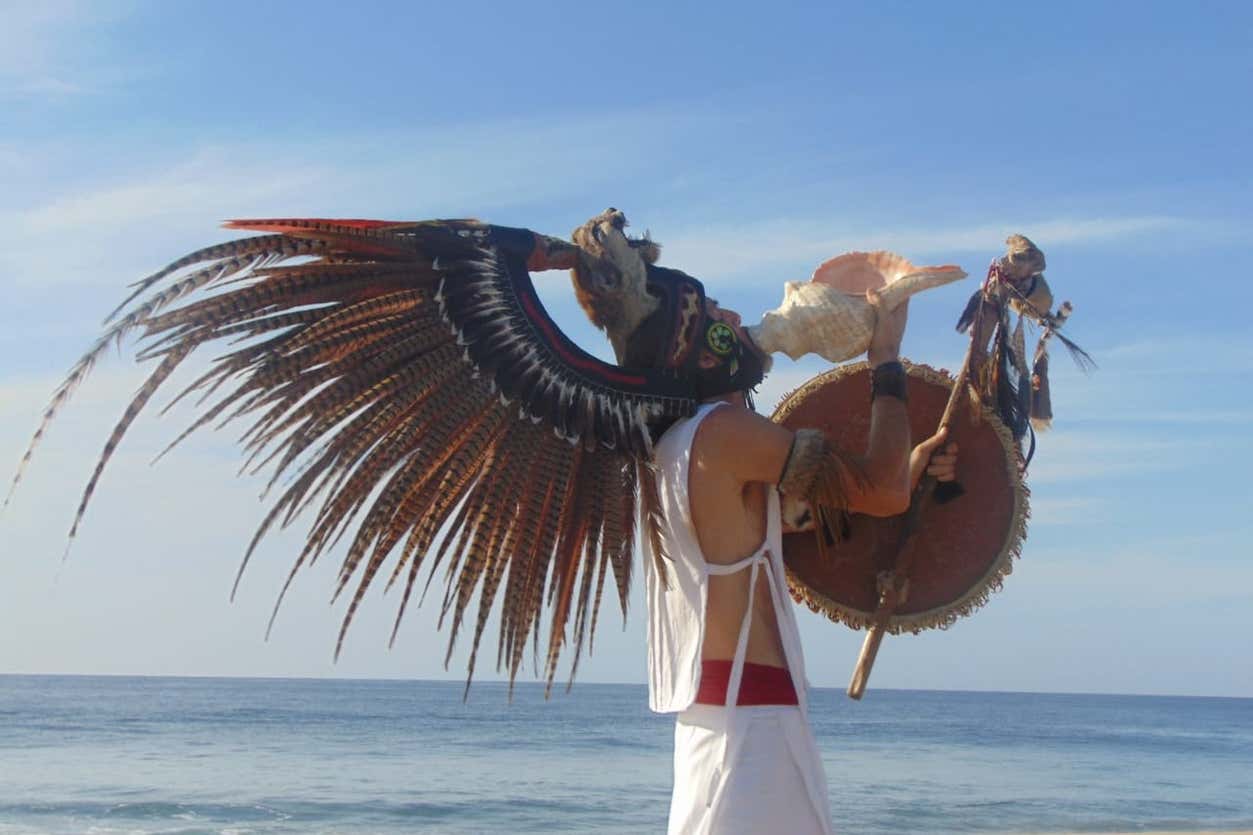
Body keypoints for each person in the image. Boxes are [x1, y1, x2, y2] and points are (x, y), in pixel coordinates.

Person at [626, 293, 958, 834]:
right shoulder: (723, 432)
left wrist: (912, 465)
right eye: (716, 315)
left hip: (716, 723)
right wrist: (887, 360)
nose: (734, 319)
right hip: (754, 726)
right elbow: (883, 490)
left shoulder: (669, 451)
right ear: (705, 354)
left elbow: (811, 517)